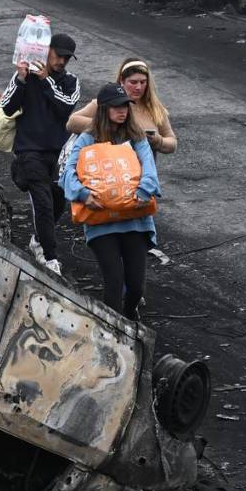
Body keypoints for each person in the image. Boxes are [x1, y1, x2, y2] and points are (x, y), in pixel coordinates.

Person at [60, 83, 160, 320]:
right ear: (104, 109)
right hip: (101, 223)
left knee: (136, 287)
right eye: (116, 106)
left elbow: (149, 167)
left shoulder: (137, 137)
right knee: (114, 282)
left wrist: (144, 192)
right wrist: (84, 195)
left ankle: (128, 314)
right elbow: (68, 174)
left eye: (125, 105)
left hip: (135, 220)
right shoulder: (87, 139)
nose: (122, 110)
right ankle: (114, 333)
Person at [0, 33, 81, 275]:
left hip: (58, 153)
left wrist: (46, 81)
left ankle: (38, 240)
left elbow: (66, 106)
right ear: (46, 51)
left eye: (67, 58)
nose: (62, 62)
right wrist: (22, 80)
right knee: (42, 203)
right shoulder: (25, 76)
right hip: (29, 151)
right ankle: (49, 256)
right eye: (58, 55)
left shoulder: (71, 81)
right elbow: (7, 106)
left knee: (58, 202)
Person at [66, 58, 176, 155]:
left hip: (143, 173)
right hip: (107, 170)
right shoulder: (104, 103)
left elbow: (172, 142)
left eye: (143, 82)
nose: (139, 87)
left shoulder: (155, 109)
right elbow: (72, 122)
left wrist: (158, 140)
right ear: (122, 80)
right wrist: (109, 126)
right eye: (133, 82)